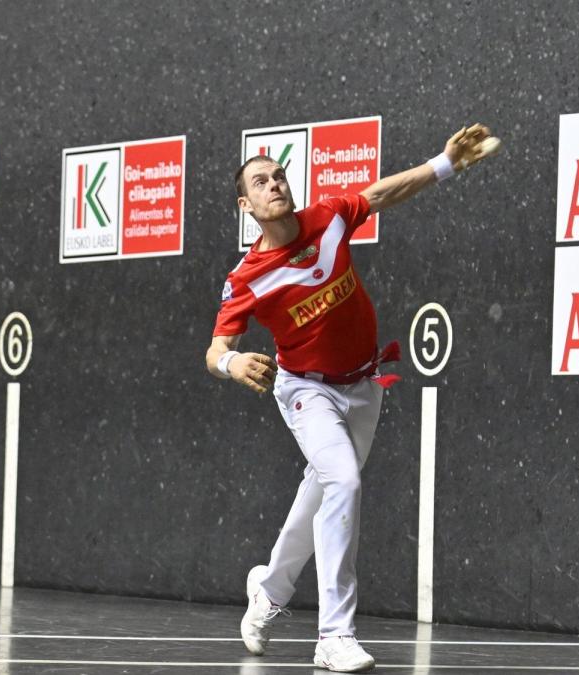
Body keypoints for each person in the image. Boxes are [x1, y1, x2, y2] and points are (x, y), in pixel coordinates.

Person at [206, 125, 498, 672]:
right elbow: (216, 347)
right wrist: (232, 362)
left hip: (364, 384)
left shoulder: (329, 217)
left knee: (322, 491)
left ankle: (268, 591)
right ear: (246, 204)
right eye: (260, 182)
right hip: (305, 389)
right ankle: (333, 635)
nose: (275, 185)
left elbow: (385, 192)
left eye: (279, 176)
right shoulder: (246, 278)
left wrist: (446, 163)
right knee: (342, 479)